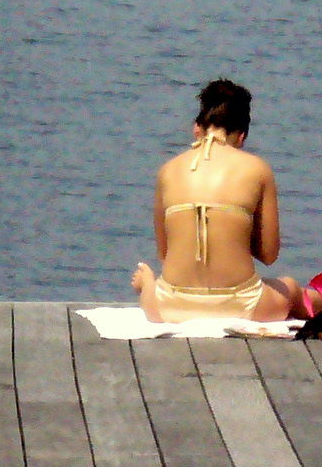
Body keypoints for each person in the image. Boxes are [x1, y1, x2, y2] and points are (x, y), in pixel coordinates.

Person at [131, 79, 309, 324]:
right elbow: (269, 255)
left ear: (197, 128)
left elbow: (165, 253)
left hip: (168, 308)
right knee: (289, 287)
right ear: (242, 136)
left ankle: (148, 285)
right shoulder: (258, 169)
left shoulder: (167, 170)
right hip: (243, 307)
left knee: (161, 286)